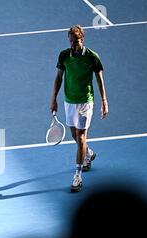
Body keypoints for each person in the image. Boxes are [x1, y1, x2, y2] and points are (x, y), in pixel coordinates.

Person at [51, 25, 108, 192]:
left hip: (85, 101)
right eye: (71, 42)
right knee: (74, 135)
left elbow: (99, 79)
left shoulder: (92, 57)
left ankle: (77, 176)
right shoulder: (64, 55)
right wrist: (53, 98)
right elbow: (59, 78)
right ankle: (88, 153)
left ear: (82, 39)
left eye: (76, 41)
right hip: (69, 101)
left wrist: (104, 100)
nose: (73, 45)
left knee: (81, 136)